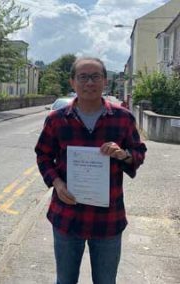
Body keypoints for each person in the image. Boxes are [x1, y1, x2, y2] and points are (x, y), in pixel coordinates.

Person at [35, 57, 147, 284]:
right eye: (83, 77)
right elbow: (43, 155)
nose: (89, 82)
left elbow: (139, 152)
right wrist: (57, 183)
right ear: (72, 82)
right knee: (65, 281)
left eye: (95, 76)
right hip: (67, 216)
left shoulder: (123, 118)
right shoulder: (56, 120)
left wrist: (123, 154)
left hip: (108, 218)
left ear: (105, 81)